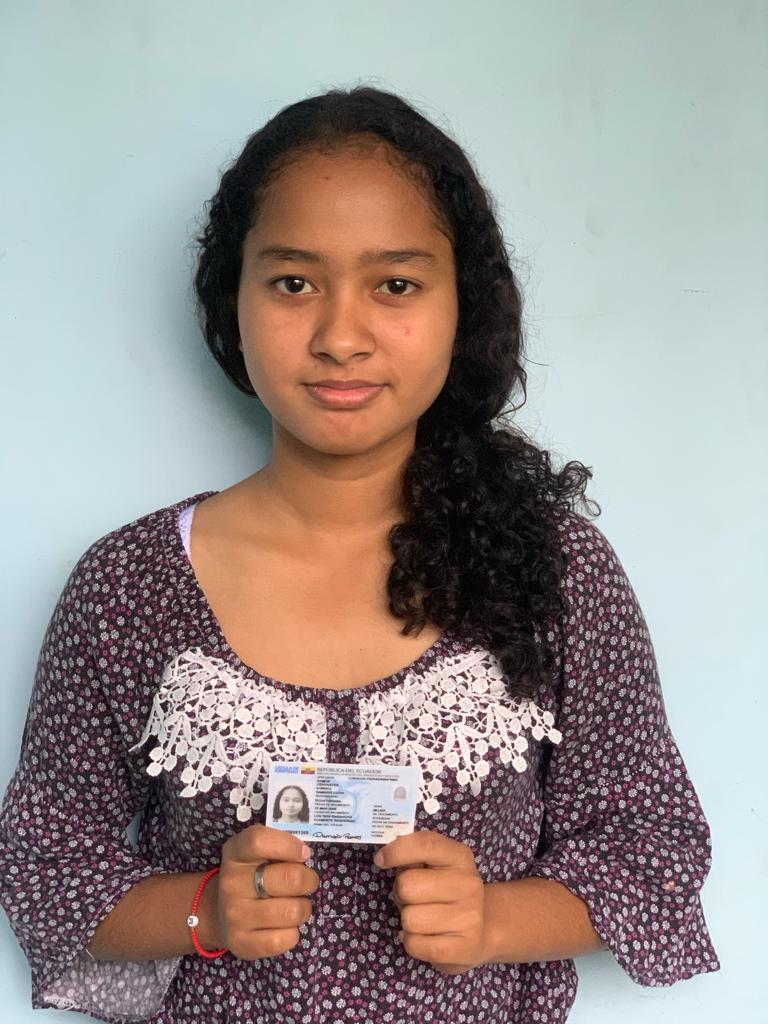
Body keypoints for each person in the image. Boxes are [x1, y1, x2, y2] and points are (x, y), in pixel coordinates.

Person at [0, 84, 720, 1023]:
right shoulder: (128, 584)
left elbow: (653, 848)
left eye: (396, 285)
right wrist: (205, 909)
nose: (341, 337)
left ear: (464, 305)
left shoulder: (555, 570)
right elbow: (45, 860)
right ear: (232, 300)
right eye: (294, 283)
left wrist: (492, 921)